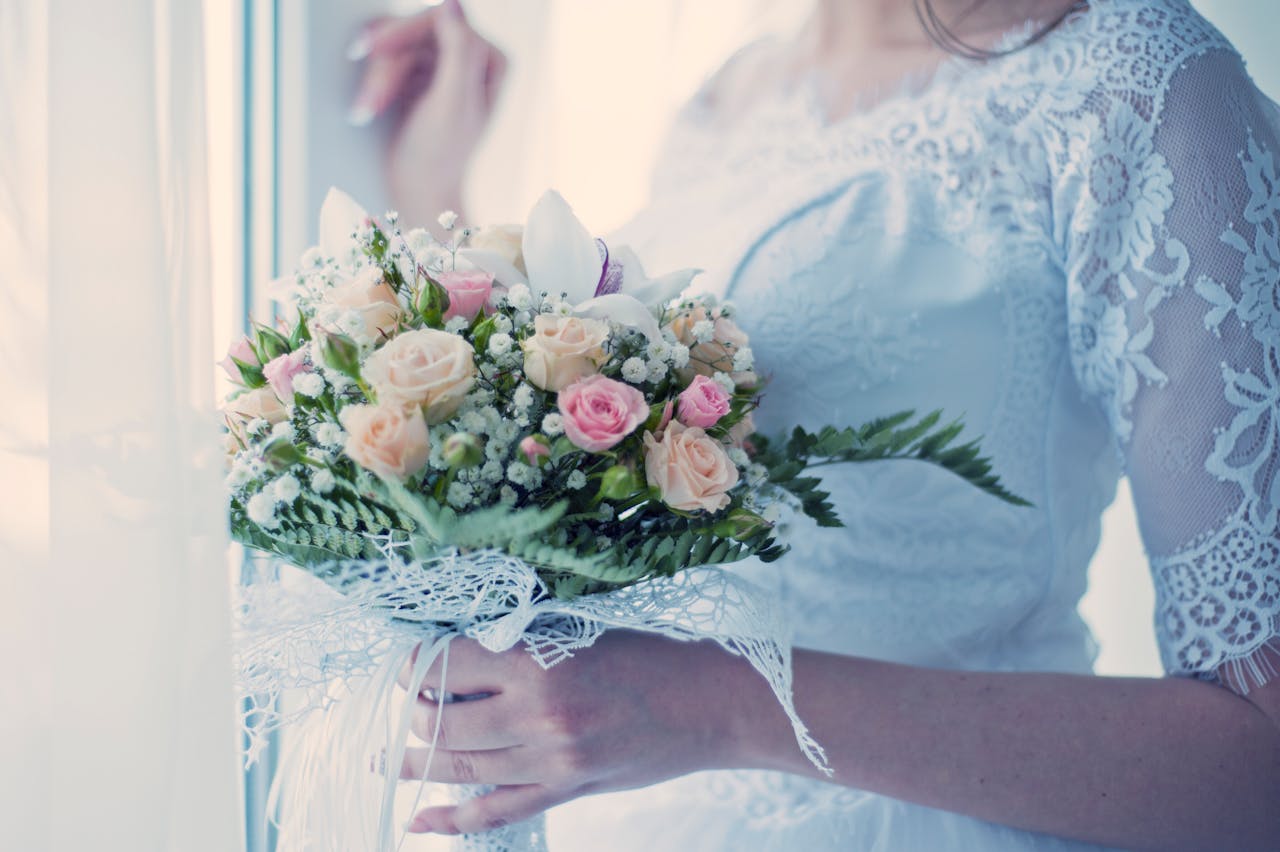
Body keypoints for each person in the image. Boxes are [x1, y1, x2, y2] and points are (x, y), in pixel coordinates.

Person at [349, 1, 1280, 848]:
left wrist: (724, 705)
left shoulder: (1140, 83)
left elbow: (1259, 762)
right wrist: (432, 181)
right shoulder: (728, 101)